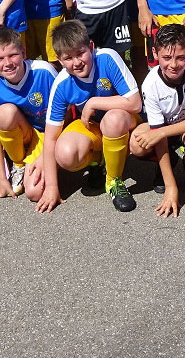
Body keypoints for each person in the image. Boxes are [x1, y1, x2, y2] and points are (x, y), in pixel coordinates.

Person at [35, 20, 142, 214]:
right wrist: (52, 187)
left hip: (125, 122)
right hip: (93, 128)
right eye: (68, 58)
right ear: (59, 60)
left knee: (113, 119)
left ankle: (113, 180)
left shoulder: (107, 58)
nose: (77, 62)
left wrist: (93, 102)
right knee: (65, 154)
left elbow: (135, 103)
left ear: (91, 47)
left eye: (80, 53)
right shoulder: (61, 83)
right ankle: (98, 160)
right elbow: (50, 137)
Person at [129, 23, 185, 217]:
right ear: (155, 53)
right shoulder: (150, 84)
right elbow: (157, 134)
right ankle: (168, 163)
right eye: (166, 58)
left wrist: (163, 131)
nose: (173, 65)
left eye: (181, 57)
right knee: (136, 144)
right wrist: (171, 186)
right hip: (163, 129)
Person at [0, 27, 57, 199]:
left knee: (34, 192)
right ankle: (18, 164)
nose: (7, 63)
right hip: (28, 135)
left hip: (53, 134)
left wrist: (46, 155)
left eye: (13, 55)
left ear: (23, 52)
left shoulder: (44, 72)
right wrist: (2, 179)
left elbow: (65, 116)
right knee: (5, 113)